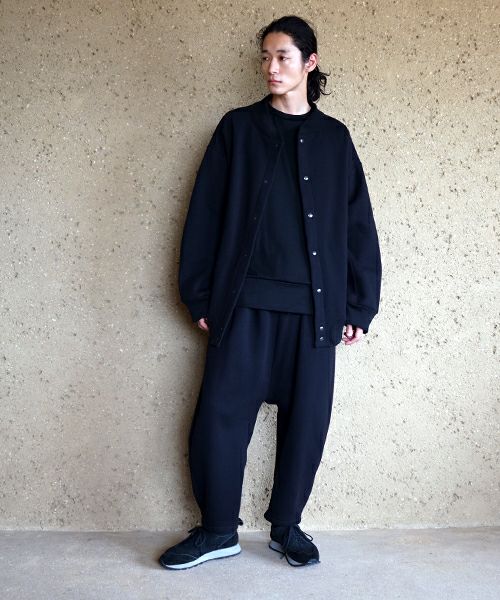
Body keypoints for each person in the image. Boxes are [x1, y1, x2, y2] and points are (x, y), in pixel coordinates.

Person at [159, 15, 382, 570]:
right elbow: (204, 214)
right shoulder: (237, 129)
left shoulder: (335, 140)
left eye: (283, 56)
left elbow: (358, 227)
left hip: (314, 310)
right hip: (244, 306)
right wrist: (200, 295)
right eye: (265, 56)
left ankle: (287, 527)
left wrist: (359, 305)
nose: (271, 67)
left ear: (310, 63)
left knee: (307, 422)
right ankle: (217, 530)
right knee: (219, 418)